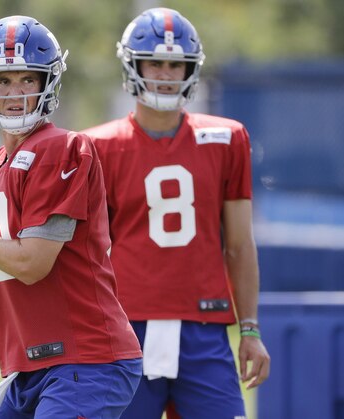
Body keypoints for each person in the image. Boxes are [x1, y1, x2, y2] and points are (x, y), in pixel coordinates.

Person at [0, 15, 142, 418]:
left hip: (86, 359)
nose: (15, 93)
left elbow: (31, 264)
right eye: (3, 81)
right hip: (30, 367)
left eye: (27, 80)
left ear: (46, 84)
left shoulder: (63, 148)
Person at [82, 8, 271, 419]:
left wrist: (250, 329)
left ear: (191, 69)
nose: (166, 74)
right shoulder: (96, 146)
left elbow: (239, 244)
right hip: (126, 329)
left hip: (203, 329)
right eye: (155, 62)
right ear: (134, 65)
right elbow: (85, 256)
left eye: (176, 64)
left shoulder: (226, 138)